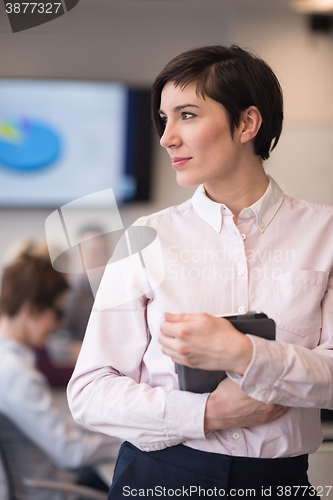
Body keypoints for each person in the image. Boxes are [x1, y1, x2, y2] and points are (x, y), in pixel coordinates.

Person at [67, 45, 333, 498]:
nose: (167, 137)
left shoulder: (324, 233)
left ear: (247, 123)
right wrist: (207, 413)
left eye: (186, 115)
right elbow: (90, 392)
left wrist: (244, 355)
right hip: (157, 477)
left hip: (277, 484)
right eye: (164, 119)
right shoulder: (144, 238)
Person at [0, 252, 121, 500]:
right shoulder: (13, 371)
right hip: (53, 493)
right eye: (57, 314)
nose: (58, 325)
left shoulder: (12, 361)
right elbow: (71, 452)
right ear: (29, 311)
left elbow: (59, 428)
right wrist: (127, 440)